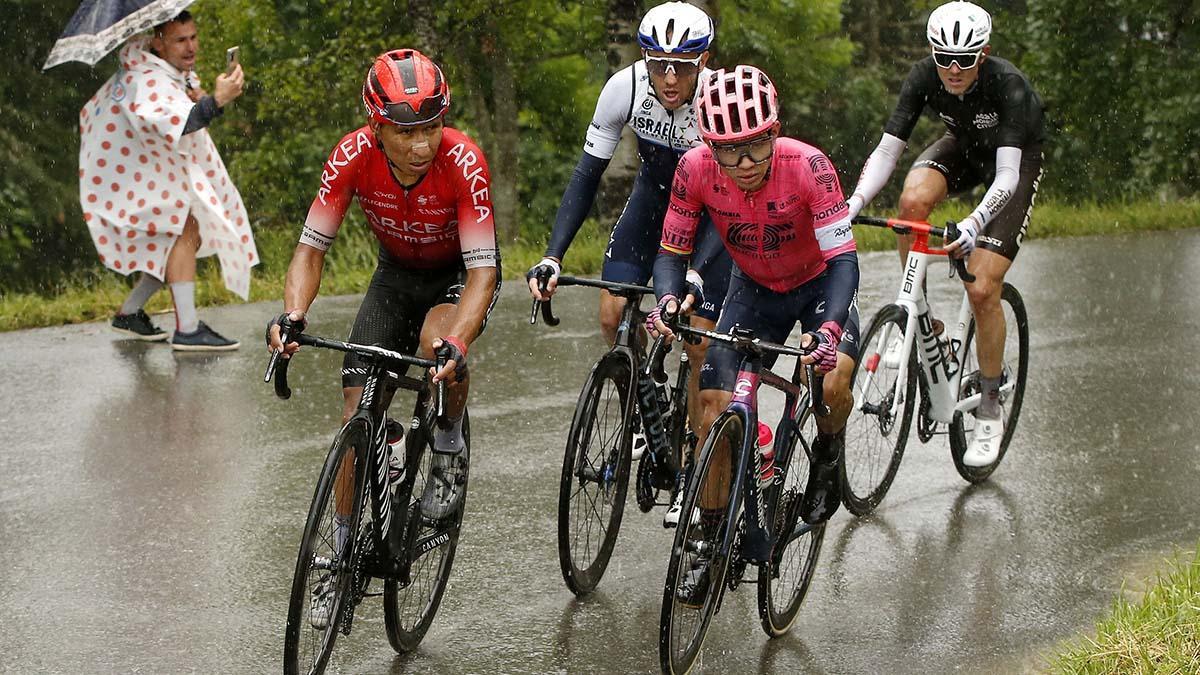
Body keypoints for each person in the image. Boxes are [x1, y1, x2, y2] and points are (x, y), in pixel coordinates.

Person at [267, 50, 499, 574]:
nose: (422, 146)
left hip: (458, 274)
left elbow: (483, 273)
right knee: (355, 410)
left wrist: (458, 343)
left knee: (436, 346)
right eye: (405, 132)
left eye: (432, 127)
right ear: (376, 127)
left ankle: (448, 443)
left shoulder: (464, 161)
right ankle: (342, 551)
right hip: (395, 275)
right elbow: (310, 250)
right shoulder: (351, 155)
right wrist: (293, 314)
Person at [649, 65, 860, 602]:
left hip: (818, 286)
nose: (743, 163)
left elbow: (844, 262)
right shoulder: (695, 169)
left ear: (775, 132)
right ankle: (711, 537)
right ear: (708, 146)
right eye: (728, 151)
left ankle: (828, 454)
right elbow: (671, 252)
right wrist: (668, 299)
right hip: (755, 289)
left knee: (833, 379)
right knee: (713, 408)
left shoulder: (809, 166)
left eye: (755, 146)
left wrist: (830, 328)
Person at [524, 1, 733, 527]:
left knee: (698, 341)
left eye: (681, 66)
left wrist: (696, 272)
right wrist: (553, 254)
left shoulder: (717, 101)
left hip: (710, 219)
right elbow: (586, 175)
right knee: (613, 314)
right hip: (652, 205)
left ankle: (692, 467)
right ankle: (646, 403)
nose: (669, 78)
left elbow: (732, 201)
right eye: (658, 64)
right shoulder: (625, 88)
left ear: (703, 61)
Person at [845, 1, 1045, 467]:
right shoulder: (923, 76)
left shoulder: (1009, 85)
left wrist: (974, 223)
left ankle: (990, 407)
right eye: (944, 58)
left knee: (983, 287)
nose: (953, 69)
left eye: (965, 59)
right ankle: (918, 317)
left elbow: (1006, 177)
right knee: (911, 203)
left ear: (984, 53)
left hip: (1013, 164)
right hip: (965, 149)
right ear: (933, 53)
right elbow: (888, 152)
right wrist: (853, 203)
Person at [80, 10, 256, 350]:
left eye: (193, 37)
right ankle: (187, 330)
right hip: (133, 175)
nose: (191, 47)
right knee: (183, 230)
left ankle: (129, 313)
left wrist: (204, 99)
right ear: (158, 42)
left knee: (178, 237)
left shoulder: (164, 69)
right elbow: (178, 122)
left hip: (149, 170)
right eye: (180, 40)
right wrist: (216, 101)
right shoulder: (147, 79)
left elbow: (182, 111)